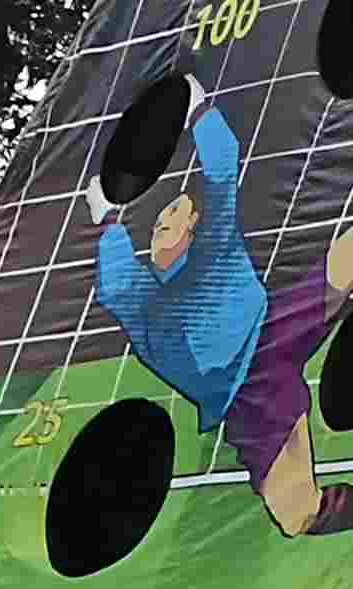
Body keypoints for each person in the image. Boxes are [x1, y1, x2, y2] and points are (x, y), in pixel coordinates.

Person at [95, 95, 352, 538]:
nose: (163, 219)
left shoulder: (212, 246)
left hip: (273, 331)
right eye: (161, 217)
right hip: (243, 401)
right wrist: (107, 215)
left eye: (175, 213)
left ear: (195, 227)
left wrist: (196, 109)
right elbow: (115, 267)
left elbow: (221, 164)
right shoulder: (142, 303)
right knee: (297, 517)